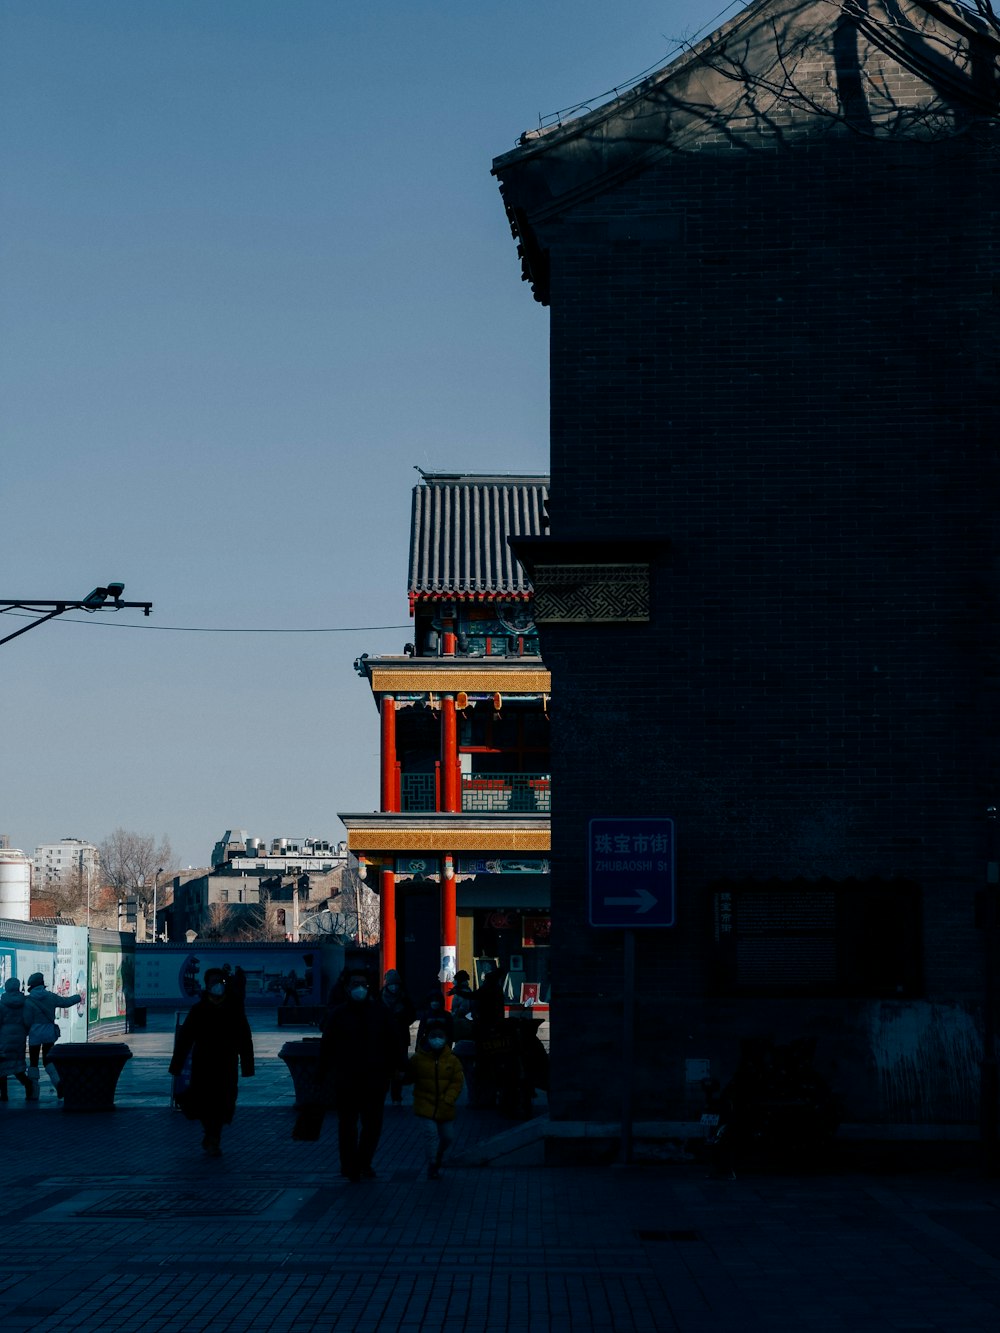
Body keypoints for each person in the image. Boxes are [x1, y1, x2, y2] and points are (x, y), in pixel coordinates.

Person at [319, 969, 400, 1181]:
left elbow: (394, 1043)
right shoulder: (338, 1015)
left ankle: (364, 1161)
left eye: (363, 984)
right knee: (347, 1125)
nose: (359, 989)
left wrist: (399, 1069)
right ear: (347, 988)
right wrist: (322, 1074)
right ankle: (349, 1165)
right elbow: (326, 1045)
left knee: (372, 1125)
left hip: (375, 1079)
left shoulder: (380, 1013)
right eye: (355, 984)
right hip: (347, 1079)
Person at [168, 966, 254, 1157]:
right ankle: (211, 1136)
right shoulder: (199, 1010)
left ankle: (214, 1136)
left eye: (220, 982)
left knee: (224, 1103)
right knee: (205, 1103)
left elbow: (244, 1038)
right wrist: (176, 1065)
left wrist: (247, 1066)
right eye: (212, 982)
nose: (217, 986)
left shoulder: (234, 1009)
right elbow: (185, 1039)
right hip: (204, 1064)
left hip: (226, 1063)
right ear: (206, 986)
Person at [405, 1019, 465, 1179]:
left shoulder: (452, 1060)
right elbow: (409, 1076)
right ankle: (433, 1164)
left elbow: (457, 1081)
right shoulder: (418, 1058)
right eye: (434, 1036)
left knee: (447, 1137)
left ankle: (437, 1156)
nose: (437, 1040)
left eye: (440, 1037)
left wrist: (449, 1098)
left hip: (445, 1106)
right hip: (425, 1104)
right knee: (430, 1135)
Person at [24, 971, 82, 1100]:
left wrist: (28, 1029)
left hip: (35, 1033)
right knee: (48, 1060)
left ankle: (33, 1092)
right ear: (42, 984)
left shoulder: (28, 1000)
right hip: (49, 1032)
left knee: (33, 1062)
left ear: (31, 986)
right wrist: (78, 997)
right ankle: (58, 1083)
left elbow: (27, 1020)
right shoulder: (50, 996)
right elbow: (65, 1002)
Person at [380, 969, 416, 1105]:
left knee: (399, 1069)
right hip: (383, 1040)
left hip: (401, 1038)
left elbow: (411, 1015)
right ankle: (382, 1095)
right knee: (383, 1068)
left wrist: (402, 1019)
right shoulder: (380, 998)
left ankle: (397, 1096)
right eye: (391, 984)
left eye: (395, 984)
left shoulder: (405, 999)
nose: (393, 987)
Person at [0, 978, 34, 1103]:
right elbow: (27, 1020)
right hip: (20, 1035)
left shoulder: (2, 1004)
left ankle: (4, 1095)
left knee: (2, 1065)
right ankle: (28, 1086)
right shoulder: (24, 1002)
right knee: (17, 1064)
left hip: (4, 1036)